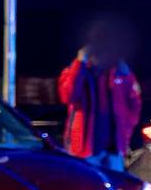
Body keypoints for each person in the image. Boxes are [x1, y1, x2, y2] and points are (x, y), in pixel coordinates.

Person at [59, 24, 142, 172]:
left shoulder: (121, 74)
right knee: (86, 188)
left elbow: (135, 104)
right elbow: (69, 96)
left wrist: (126, 130)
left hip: (113, 149)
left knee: (114, 188)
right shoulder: (76, 71)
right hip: (84, 149)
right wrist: (80, 62)